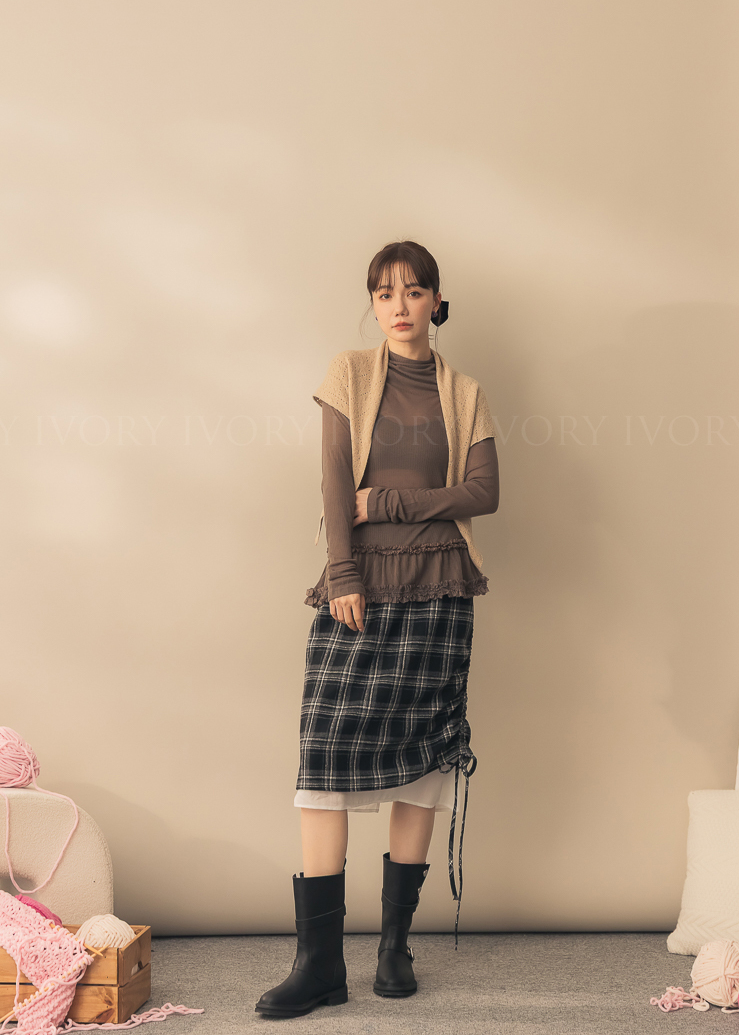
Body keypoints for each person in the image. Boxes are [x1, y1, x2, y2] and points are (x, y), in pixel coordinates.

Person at [255, 240, 500, 1019]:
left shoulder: (464, 391)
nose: (399, 305)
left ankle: (395, 947)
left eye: (414, 291)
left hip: (440, 587)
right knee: (323, 759)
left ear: (437, 302)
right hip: (361, 581)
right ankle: (319, 964)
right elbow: (334, 480)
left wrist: (389, 504)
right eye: (385, 292)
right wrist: (344, 573)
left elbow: (483, 492)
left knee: (424, 760)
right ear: (372, 304)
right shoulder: (350, 374)